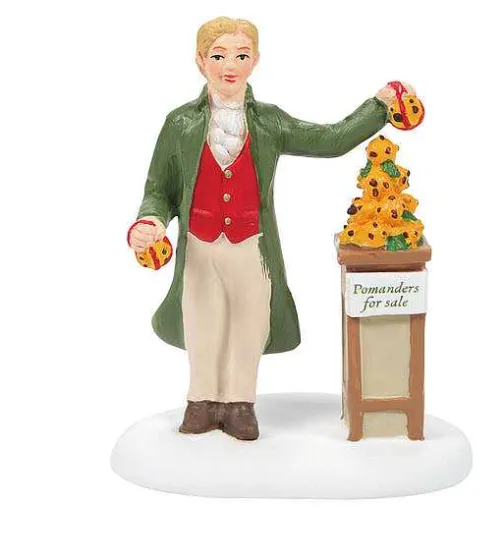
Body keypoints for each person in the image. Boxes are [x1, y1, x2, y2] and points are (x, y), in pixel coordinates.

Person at [128, 16, 404, 440]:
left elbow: (330, 139)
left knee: (249, 322)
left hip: (251, 245)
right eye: (219, 55)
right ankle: (202, 400)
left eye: (240, 56)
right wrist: (149, 222)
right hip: (199, 246)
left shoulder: (269, 122)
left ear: (255, 60)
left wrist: (380, 107)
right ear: (201, 60)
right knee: (202, 321)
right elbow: (158, 190)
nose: (229, 66)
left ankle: (240, 403)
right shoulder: (179, 123)